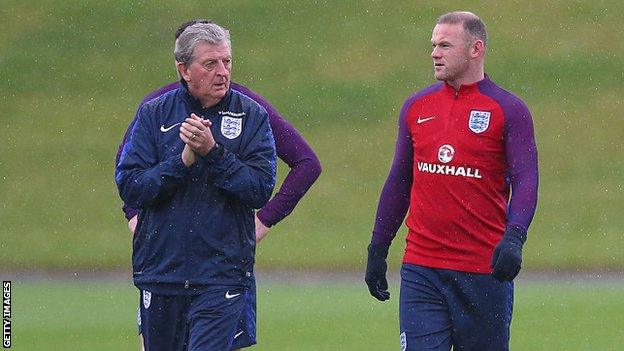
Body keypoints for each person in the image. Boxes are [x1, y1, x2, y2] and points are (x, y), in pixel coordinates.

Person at [115, 20, 322, 351]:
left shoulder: (251, 112)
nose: (222, 71)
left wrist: (263, 215)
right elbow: (129, 179)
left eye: (226, 61)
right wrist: (172, 172)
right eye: (210, 63)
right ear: (184, 68)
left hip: (222, 271)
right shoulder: (155, 110)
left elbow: (294, 170)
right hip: (162, 269)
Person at [365, 11, 538, 350]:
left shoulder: (508, 109)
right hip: (422, 269)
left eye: (445, 45)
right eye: (433, 45)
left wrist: (515, 237)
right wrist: (378, 246)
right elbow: (400, 181)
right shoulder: (417, 106)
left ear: (476, 49)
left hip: (484, 272)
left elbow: (526, 179)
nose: (434, 53)